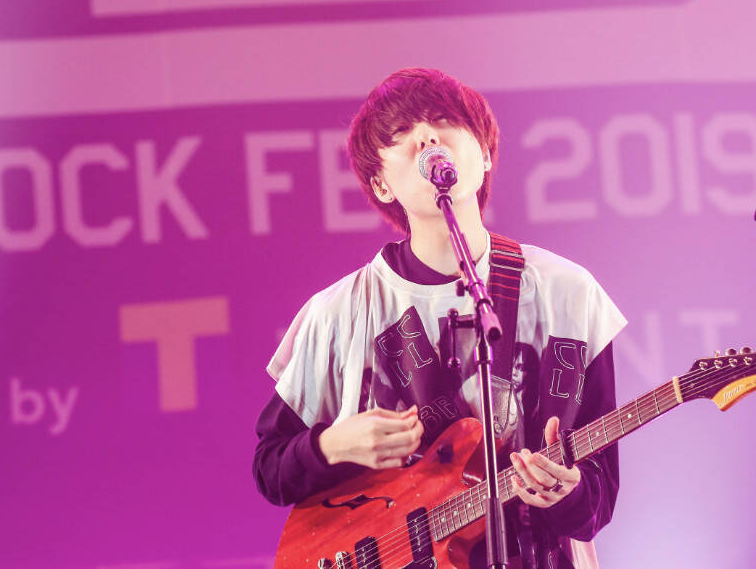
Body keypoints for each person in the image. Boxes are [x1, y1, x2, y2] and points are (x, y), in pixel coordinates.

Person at [253, 68, 623, 568]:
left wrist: (568, 494)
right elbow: (270, 468)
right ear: (381, 184)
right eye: (401, 132)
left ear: (484, 155)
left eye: (444, 120)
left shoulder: (569, 294)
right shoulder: (336, 314)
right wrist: (334, 445)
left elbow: (599, 499)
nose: (427, 136)